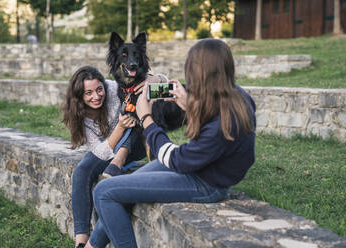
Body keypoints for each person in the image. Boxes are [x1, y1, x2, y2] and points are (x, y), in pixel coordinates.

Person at [84, 38, 257, 248]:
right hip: (201, 167)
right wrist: (187, 105)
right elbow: (207, 133)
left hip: (205, 183)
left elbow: (179, 161)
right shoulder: (239, 96)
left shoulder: (222, 124)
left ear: (200, 72)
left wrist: (146, 118)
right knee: (121, 187)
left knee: (103, 191)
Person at [62, 66, 147, 248]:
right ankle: (80, 242)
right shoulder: (78, 114)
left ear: (104, 85)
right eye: (88, 93)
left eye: (99, 89)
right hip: (109, 149)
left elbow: (160, 83)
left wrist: (154, 80)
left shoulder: (115, 88)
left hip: (136, 141)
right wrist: (119, 128)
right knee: (81, 172)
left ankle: (119, 160)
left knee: (131, 115)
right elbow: (100, 152)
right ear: (79, 96)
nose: (96, 96)